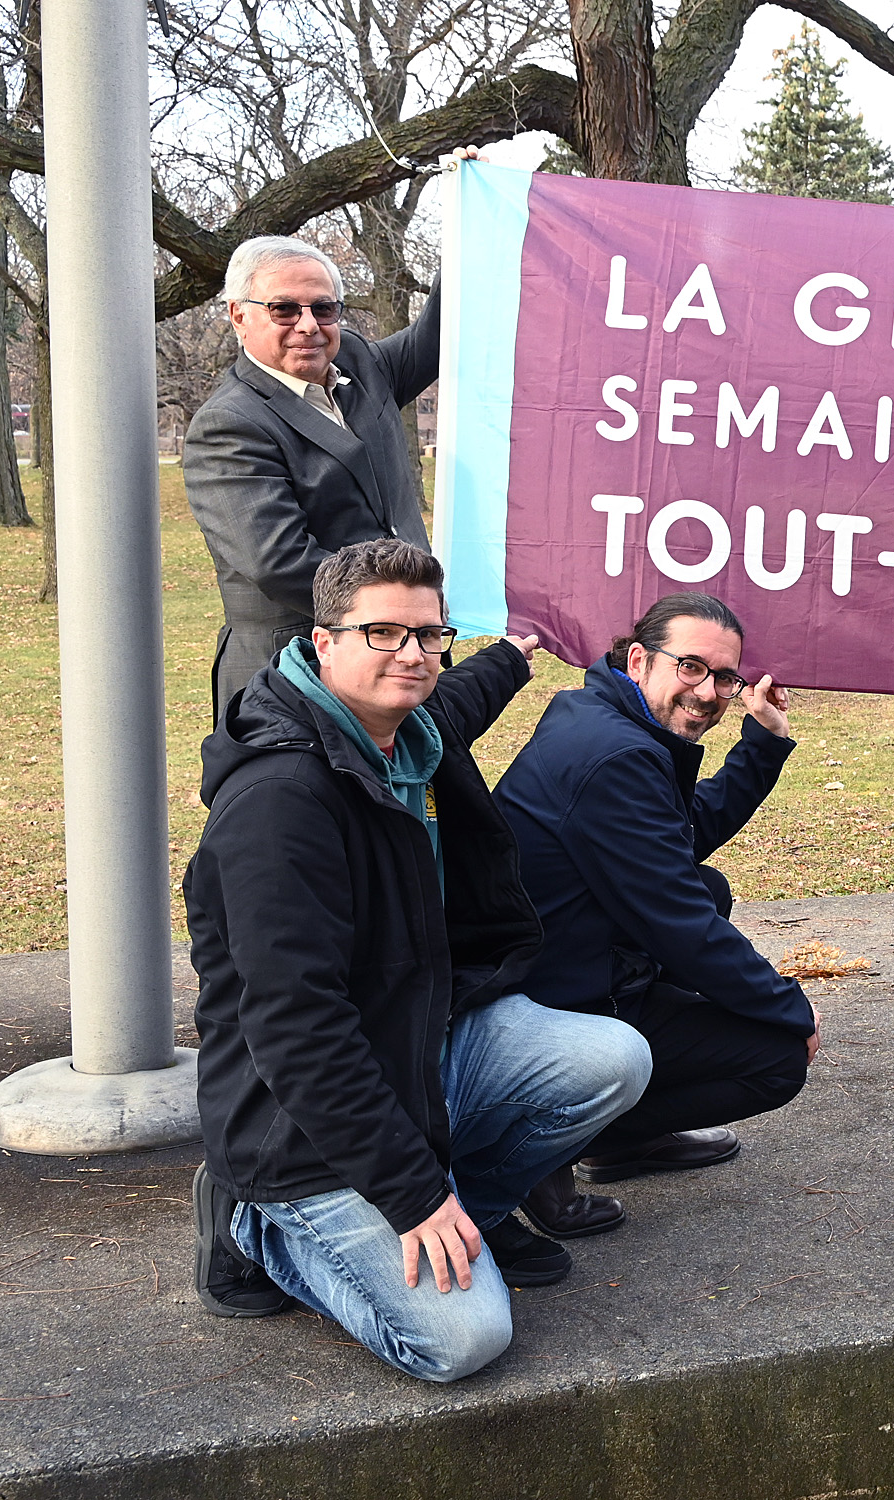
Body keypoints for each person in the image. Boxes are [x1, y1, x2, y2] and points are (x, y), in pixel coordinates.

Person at [184, 539, 652, 1383]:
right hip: (299, 1122)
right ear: (323, 642)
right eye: (385, 634)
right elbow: (296, 1029)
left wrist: (512, 654)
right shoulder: (279, 807)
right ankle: (255, 1224)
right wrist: (412, 1195)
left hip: (419, 1052)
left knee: (611, 1059)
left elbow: (456, 698)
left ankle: (466, 1204)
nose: (414, 655)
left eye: (432, 636)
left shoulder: (409, 737)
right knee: (462, 1341)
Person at [493, 591, 818, 1238]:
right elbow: (679, 922)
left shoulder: (602, 711)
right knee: (777, 1057)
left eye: (725, 677)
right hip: (548, 1001)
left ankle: (617, 1142)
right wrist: (790, 1008)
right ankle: (550, 1141)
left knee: (710, 885)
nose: (709, 692)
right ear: (640, 659)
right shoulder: (617, 754)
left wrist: (760, 743)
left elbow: (678, 837)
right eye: (691, 667)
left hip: (562, 955)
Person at [185, 234, 443, 725]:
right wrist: (403, 615)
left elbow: (440, 331)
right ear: (240, 315)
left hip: (400, 665)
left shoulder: (363, 367)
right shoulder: (230, 425)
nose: (308, 326)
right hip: (296, 681)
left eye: (323, 309)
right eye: (284, 309)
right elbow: (280, 562)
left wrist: (466, 220)